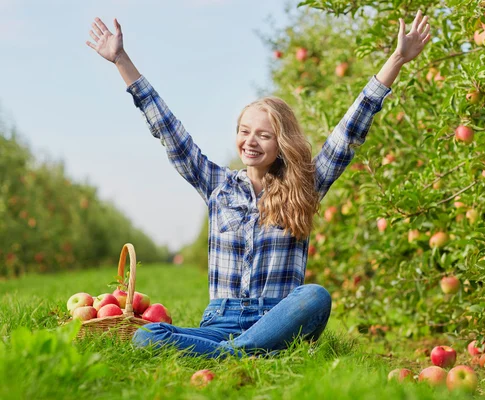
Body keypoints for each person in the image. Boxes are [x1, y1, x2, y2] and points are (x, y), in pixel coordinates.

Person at [86, 11, 430, 358]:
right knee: (148, 336)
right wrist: (121, 59)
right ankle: (242, 352)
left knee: (316, 296)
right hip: (220, 320)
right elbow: (168, 130)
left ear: (282, 142)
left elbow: (349, 132)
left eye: (264, 135)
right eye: (244, 131)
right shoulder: (217, 185)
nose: (250, 141)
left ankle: (228, 352)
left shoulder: (304, 184)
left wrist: (397, 58)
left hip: (276, 320)